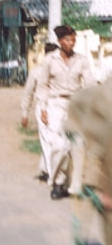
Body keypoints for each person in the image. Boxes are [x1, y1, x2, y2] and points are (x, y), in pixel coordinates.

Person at [36, 25, 95, 199]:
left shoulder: (82, 60)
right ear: (60, 41)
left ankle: (74, 186)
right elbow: (43, 85)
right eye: (68, 40)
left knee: (77, 146)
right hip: (55, 104)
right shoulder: (49, 60)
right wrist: (43, 108)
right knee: (59, 145)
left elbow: (89, 82)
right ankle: (58, 182)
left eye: (73, 40)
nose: (71, 43)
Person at [20, 42, 58, 182]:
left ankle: (46, 168)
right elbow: (28, 93)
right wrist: (25, 114)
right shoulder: (36, 72)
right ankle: (51, 172)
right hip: (43, 108)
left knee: (58, 140)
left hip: (59, 108)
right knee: (47, 140)